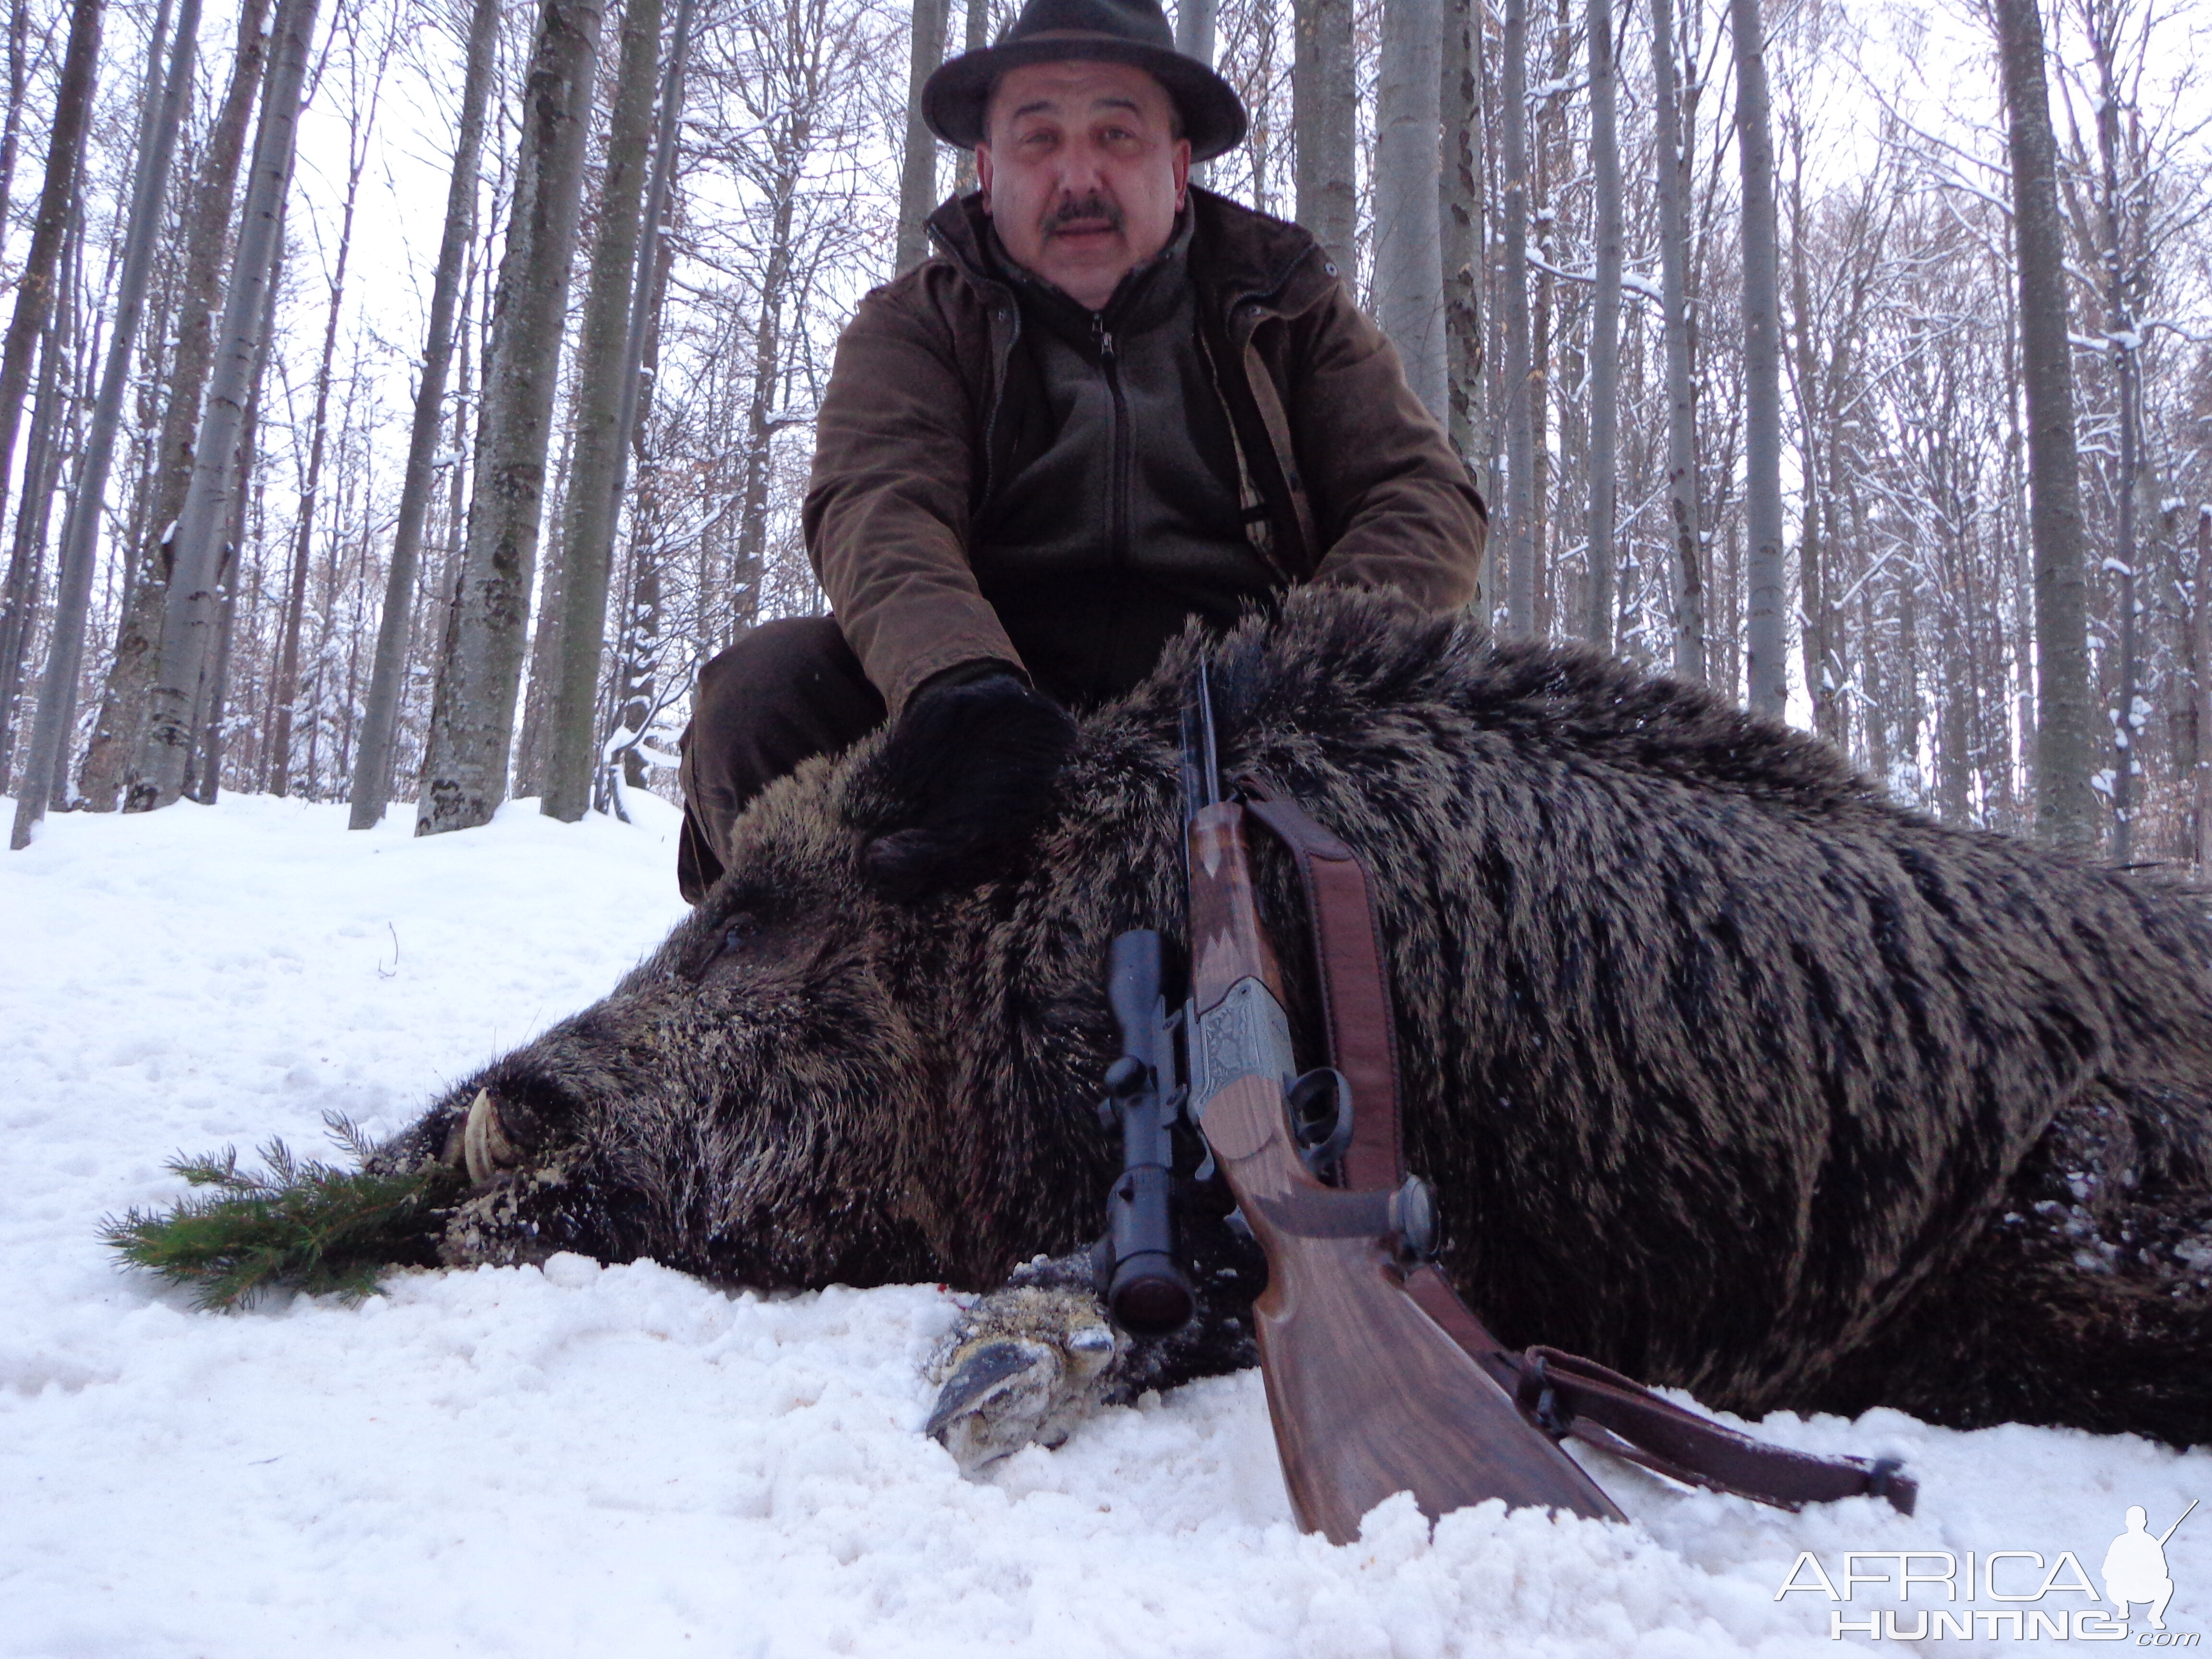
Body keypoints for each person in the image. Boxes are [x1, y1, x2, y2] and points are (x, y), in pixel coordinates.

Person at [676, 0, 1487, 903]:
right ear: (988, 172)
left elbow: (1423, 497)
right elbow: (877, 505)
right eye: (1039, 140)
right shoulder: (916, 324)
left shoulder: (1289, 305)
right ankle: (826, 1007)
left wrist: (1293, 672)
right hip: (994, 707)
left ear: (1177, 170)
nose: (1078, 177)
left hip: (1243, 710)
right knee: (761, 696)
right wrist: (960, 685)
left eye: (1116, 135)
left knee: (1479, 732)